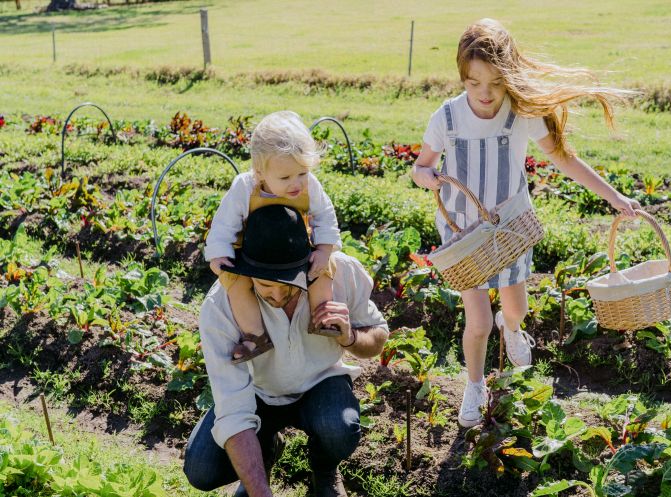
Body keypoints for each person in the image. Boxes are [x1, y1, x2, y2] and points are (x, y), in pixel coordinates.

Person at [410, 18, 641, 428]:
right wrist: (425, 175)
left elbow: (565, 159)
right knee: (477, 321)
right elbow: (421, 166)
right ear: (462, 77)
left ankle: (512, 330)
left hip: (511, 230)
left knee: (515, 309)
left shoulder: (521, 114)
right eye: (473, 82)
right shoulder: (445, 118)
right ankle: (475, 384)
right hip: (465, 236)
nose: (484, 93)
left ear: (509, 77)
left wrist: (614, 197)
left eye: (495, 83)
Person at [184, 204, 390, 497]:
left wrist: (350, 336)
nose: (278, 294)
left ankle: (324, 470)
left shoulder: (338, 272)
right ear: (246, 270)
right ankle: (264, 451)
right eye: (266, 284)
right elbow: (232, 409)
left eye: (290, 281)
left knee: (339, 429)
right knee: (202, 469)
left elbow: (379, 336)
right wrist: (261, 493)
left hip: (321, 383)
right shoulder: (221, 306)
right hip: (258, 393)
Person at [205, 110, 342, 364]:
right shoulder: (245, 187)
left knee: (323, 270)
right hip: (254, 251)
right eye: (285, 177)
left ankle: (322, 316)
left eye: (302, 173)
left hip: (292, 247)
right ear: (260, 172)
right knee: (236, 284)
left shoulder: (310, 185)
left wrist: (323, 250)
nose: (297, 184)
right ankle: (255, 336)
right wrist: (219, 253)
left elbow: (325, 216)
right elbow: (223, 224)